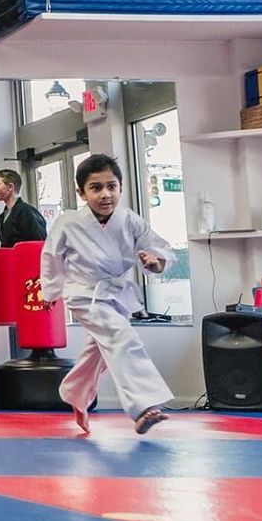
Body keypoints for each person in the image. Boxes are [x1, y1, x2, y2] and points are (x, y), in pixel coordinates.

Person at [40, 153, 174, 436]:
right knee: (121, 338)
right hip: (83, 293)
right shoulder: (68, 222)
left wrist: (155, 260)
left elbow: (158, 247)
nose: (105, 194)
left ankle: (75, 393)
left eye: (111, 186)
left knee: (98, 351)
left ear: (121, 187)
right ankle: (144, 406)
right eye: (96, 187)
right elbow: (51, 257)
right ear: (81, 192)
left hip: (116, 293)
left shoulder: (130, 220)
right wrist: (49, 291)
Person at [0, 169, 48, 248]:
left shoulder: (27, 212)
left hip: (27, 259)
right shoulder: (1, 218)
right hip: (11, 259)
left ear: (10, 187)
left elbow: (39, 244)